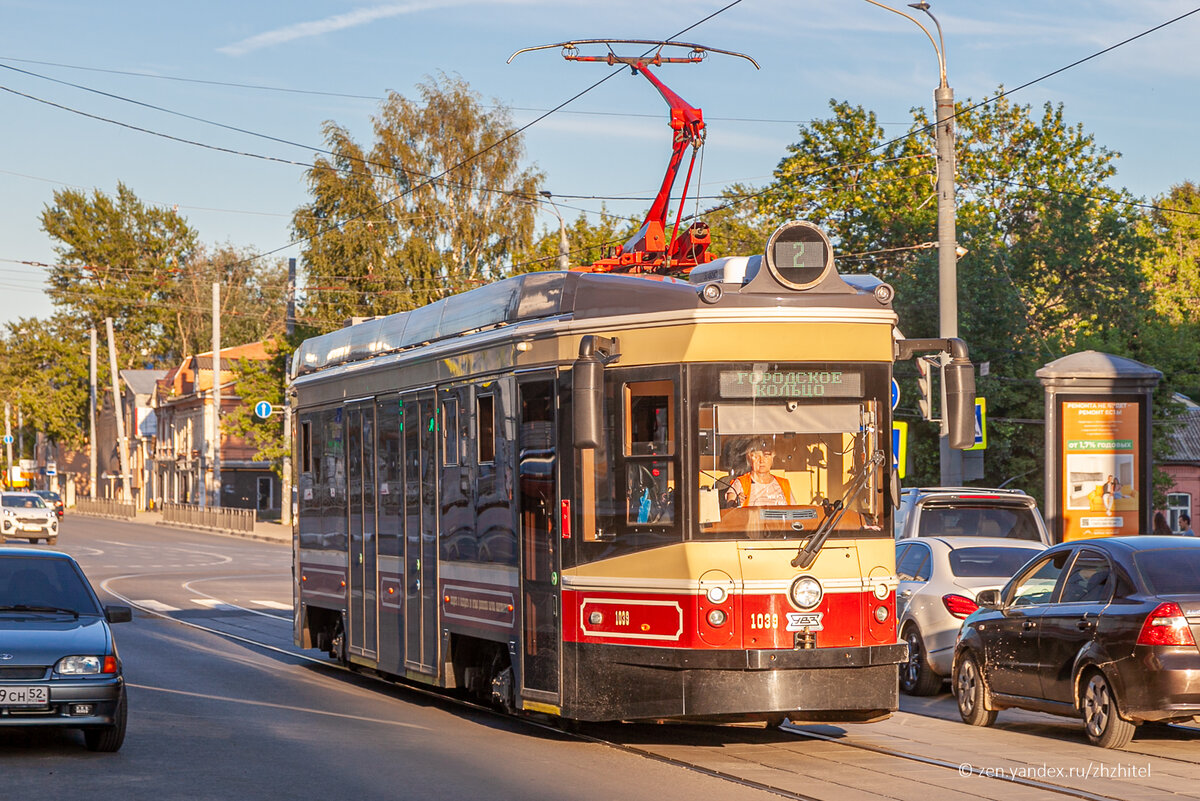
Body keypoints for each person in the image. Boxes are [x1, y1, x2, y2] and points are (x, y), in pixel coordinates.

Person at [725, 440, 796, 507]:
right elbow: (729, 512)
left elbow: (794, 512)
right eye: (756, 456)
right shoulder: (741, 483)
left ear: (772, 458)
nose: (761, 460)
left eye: (766, 456)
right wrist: (736, 504)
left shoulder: (783, 484)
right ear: (749, 459)